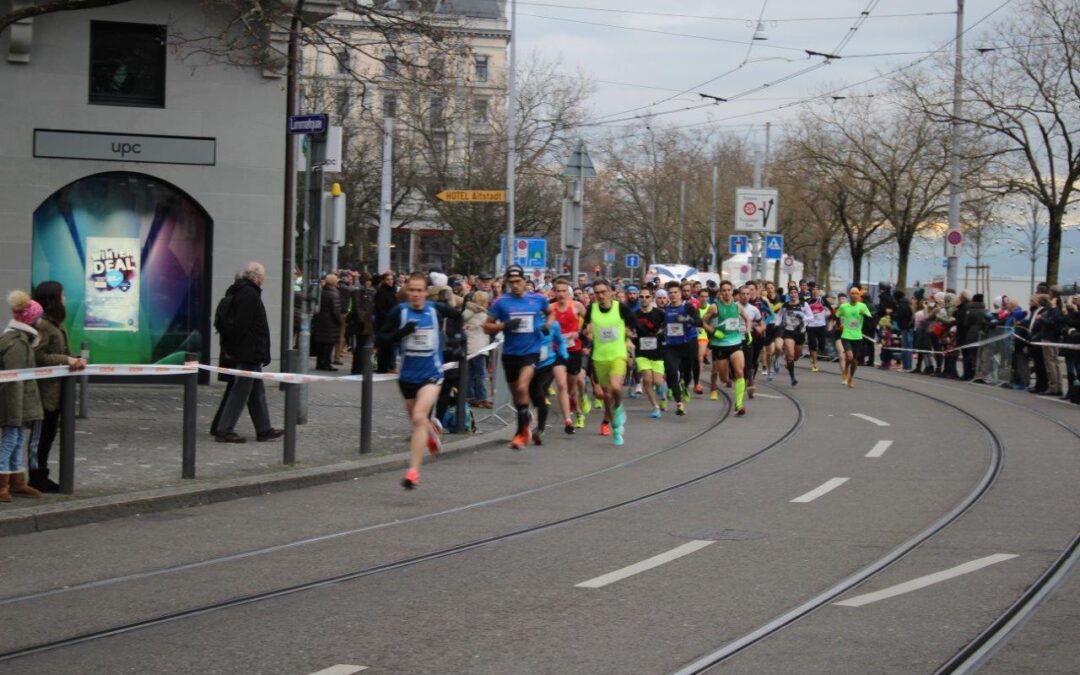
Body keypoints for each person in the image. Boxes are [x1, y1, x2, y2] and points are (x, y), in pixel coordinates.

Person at [378, 272, 460, 489]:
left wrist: (457, 339)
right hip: (407, 376)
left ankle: (413, 471)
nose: (415, 294)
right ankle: (431, 431)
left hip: (432, 374)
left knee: (418, 415)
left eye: (419, 290)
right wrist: (400, 333)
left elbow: (457, 316)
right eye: (411, 290)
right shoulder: (399, 312)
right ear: (407, 291)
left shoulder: (435, 310)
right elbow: (381, 339)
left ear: (426, 292)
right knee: (417, 423)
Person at [211, 262, 284, 443]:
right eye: (263, 276)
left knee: (256, 392)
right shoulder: (249, 294)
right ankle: (224, 430)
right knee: (240, 392)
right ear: (257, 277)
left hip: (250, 352)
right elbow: (241, 326)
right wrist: (234, 350)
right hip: (248, 353)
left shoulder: (243, 291)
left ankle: (263, 429)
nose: (264, 279)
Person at [27, 281, 86, 492]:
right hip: (43, 394)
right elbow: (38, 356)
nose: (66, 299)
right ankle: (36, 477)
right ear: (53, 300)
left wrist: (71, 359)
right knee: (39, 438)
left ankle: (41, 475)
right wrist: (66, 359)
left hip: (55, 392)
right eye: (63, 295)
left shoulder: (56, 326)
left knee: (49, 435)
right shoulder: (43, 326)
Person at [485, 265, 551, 449]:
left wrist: (547, 326)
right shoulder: (501, 302)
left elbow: (550, 313)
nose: (515, 285)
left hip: (531, 352)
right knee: (517, 395)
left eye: (518, 282)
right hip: (510, 353)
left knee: (523, 387)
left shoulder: (537, 299)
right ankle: (525, 418)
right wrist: (504, 326)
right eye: (511, 282)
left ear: (525, 281)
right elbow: (486, 327)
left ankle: (520, 433)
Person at [0, 291, 47, 501]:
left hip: (17, 401)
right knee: (11, 439)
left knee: (17, 439)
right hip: (12, 402)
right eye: (38, 318)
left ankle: (16, 481)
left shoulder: (22, 339)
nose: (41, 321)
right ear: (31, 320)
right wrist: (16, 411)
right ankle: (3, 483)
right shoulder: (17, 342)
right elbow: (14, 380)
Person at [582, 278, 636, 446]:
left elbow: (634, 326)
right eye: (597, 293)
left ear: (611, 292)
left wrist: (630, 337)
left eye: (603, 292)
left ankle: (619, 410)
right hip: (599, 357)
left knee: (615, 387)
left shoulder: (621, 308)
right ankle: (616, 428)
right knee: (605, 395)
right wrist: (586, 333)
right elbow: (584, 329)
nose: (600, 295)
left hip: (618, 355)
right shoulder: (591, 309)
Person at [704, 280, 753, 415]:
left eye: (728, 290)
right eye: (723, 290)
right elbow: (702, 322)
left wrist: (748, 332)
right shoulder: (714, 307)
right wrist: (713, 331)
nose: (726, 293)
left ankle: (739, 404)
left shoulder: (737, 307)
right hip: (719, 346)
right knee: (724, 378)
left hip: (735, 343)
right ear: (720, 293)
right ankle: (727, 378)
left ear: (732, 291)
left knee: (740, 372)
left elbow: (748, 319)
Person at [551, 278, 586, 432]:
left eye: (564, 291)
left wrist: (579, 333)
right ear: (554, 292)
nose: (561, 294)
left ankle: (578, 411)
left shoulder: (576, 306)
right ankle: (567, 420)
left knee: (572, 389)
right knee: (561, 385)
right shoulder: (550, 308)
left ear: (568, 292)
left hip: (574, 351)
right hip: (557, 351)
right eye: (558, 291)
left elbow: (589, 322)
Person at [662, 280, 702, 416]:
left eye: (675, 293)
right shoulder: (665, 309)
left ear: (680, 294)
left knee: (686, 373)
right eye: (670, 293)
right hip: (671, 346)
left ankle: (684, 385)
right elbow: (662, 324)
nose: (673, 295)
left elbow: (699, 321)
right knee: (672, 372)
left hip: (688, 344)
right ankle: (679, 403)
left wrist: (687, 320)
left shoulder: (688, 307)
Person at [633, 286, 666, 418]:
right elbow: (629, 329)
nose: (644, 299)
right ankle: (655, 407)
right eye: (641, 297)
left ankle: (662, 390)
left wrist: (660, 332)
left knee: (657, 381)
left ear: (652, 298)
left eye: (647, 297)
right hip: (641, 351)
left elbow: (666, 325)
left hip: (657, 351)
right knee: (647, 379)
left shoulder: (659, 313)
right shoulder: (635, 315)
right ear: (638, 298)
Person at [835, 288, 873, 388]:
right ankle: (845, 370)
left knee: (855, 360)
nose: (854, 295)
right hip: (846, 335)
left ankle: (850, 378)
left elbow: (870, 318)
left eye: (856, 294)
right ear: (849, 295)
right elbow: (836, 316)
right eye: (852, 293)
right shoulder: (844, 306)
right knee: (850, 357)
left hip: (858, 336)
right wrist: (839, 324)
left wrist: (864, 313)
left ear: (859, 295)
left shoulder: (863, 306)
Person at [463, 290, 491, 408]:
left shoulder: (470, 311)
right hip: (477, 348)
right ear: (483, 302)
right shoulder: (478, 313)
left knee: (470, 374)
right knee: (480, 374)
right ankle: (482, 398)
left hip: (472, 347)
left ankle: (471, 397)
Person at [313, 273, 343, 371]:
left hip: (322, 322)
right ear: (334, 282)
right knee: (328, 345)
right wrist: (339, 321)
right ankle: (326, 364)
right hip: (331, 323)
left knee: (321, 344)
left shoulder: (323, 291)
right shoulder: (334, 293)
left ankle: (320, 363)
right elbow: (336, 310)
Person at [374, 271, 398, 373]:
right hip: (383, 322)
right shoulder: (381, 292)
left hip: (391, 322)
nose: (390, 281)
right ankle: (382, 367)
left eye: (391, 279)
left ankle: (388, 365)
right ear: (384, 281)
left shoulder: (393, 291)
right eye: (388, 279)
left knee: (390, 345)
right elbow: (379, 309)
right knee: (383, 346)